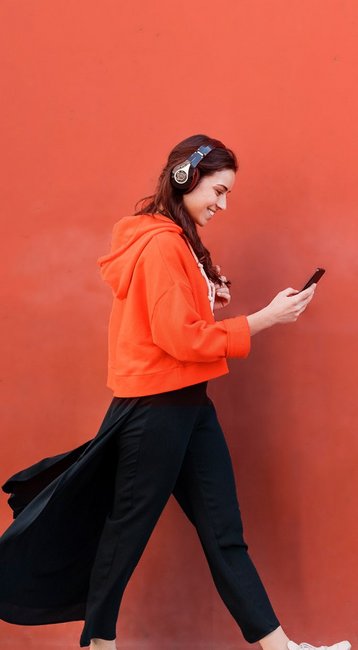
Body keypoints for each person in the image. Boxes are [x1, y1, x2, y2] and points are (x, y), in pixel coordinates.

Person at [0, 134, 350, 650]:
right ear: (187, 178)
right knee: (124, 536)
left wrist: (209, 293)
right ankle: (100, 645)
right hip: (156, 411)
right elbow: (180, 339)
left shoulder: (175, 241)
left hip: (189, 406)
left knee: (223, 534)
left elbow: (176, 324)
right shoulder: (164, 243)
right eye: (219, 190)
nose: (223, 204)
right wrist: (264, 319)